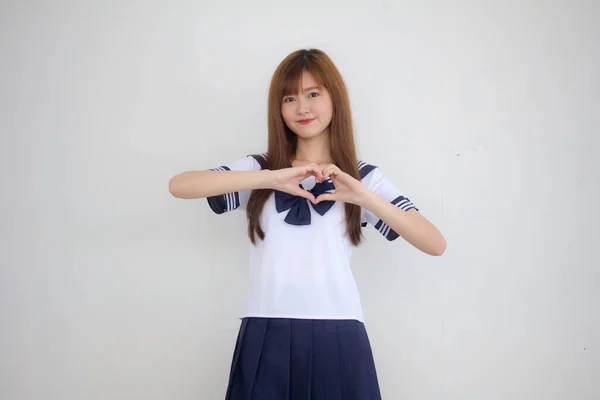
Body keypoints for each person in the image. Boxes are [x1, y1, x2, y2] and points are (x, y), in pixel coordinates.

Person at [169, 48, 446, 400]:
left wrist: (364, 198)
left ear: (335, 98)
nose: (302, 107)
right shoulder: (260, 170)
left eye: (313, 94)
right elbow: (180, 185)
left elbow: (434, 243)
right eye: (290, 97)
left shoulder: (363, 179)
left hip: (340, 329)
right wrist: (269, 178)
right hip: (265, 328)